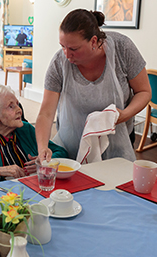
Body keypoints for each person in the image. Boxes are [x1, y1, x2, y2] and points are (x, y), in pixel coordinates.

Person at [35, 9, 151, 163]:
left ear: (94, 41)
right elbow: (46, 114)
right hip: (72, 142)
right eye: (63, 46)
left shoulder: (123, 49)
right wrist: (43, 147)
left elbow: (144, 91)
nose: (67, 55)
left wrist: (124, 115)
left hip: (118, 140)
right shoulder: (59, 63)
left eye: (74, 49)